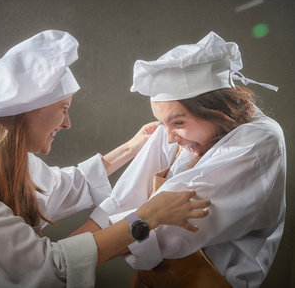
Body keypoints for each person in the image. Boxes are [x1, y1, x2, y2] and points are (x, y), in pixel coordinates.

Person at [0, 30, 210, 288]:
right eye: (65, 108)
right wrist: (146, 218)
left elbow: (58, 188)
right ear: (29, 110)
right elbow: (43, 269)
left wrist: (131, 147)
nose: (67, 123)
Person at [81, 31, 286, 288]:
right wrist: (52, 260)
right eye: (163, 123)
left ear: (217, 108)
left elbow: (155, 235)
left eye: (178, 123)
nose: (168, 138)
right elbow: (121, 204)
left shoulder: (257, 143)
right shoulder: (183, 131)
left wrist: (55, 267)